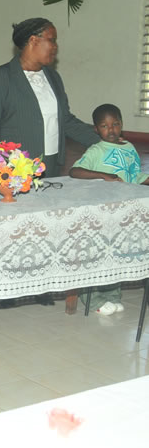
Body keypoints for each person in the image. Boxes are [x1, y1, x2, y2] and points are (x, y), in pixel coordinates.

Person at [0, 17, 99, 306]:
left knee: (44, 226)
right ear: (33, 41)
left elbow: (65, 120)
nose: (56, 47)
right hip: (15, 168)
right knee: (12, 228)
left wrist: (102, 142)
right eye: (52, 39)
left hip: (51, 164)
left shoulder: (52, 77)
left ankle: (38, 283)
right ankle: (7, 287)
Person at [69, 103, 148, 315]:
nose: (111, 129)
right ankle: (93, 300)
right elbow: (75, 171)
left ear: (122, 124)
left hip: (125, 211)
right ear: (96, 129)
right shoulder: (96, 150)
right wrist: (103, 175)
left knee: (118, 254)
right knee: (98, 254)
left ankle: (112, 296)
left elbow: (134, 175)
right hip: (102, 212)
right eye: (104, 126)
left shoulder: (130, 148)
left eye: (115, 124)